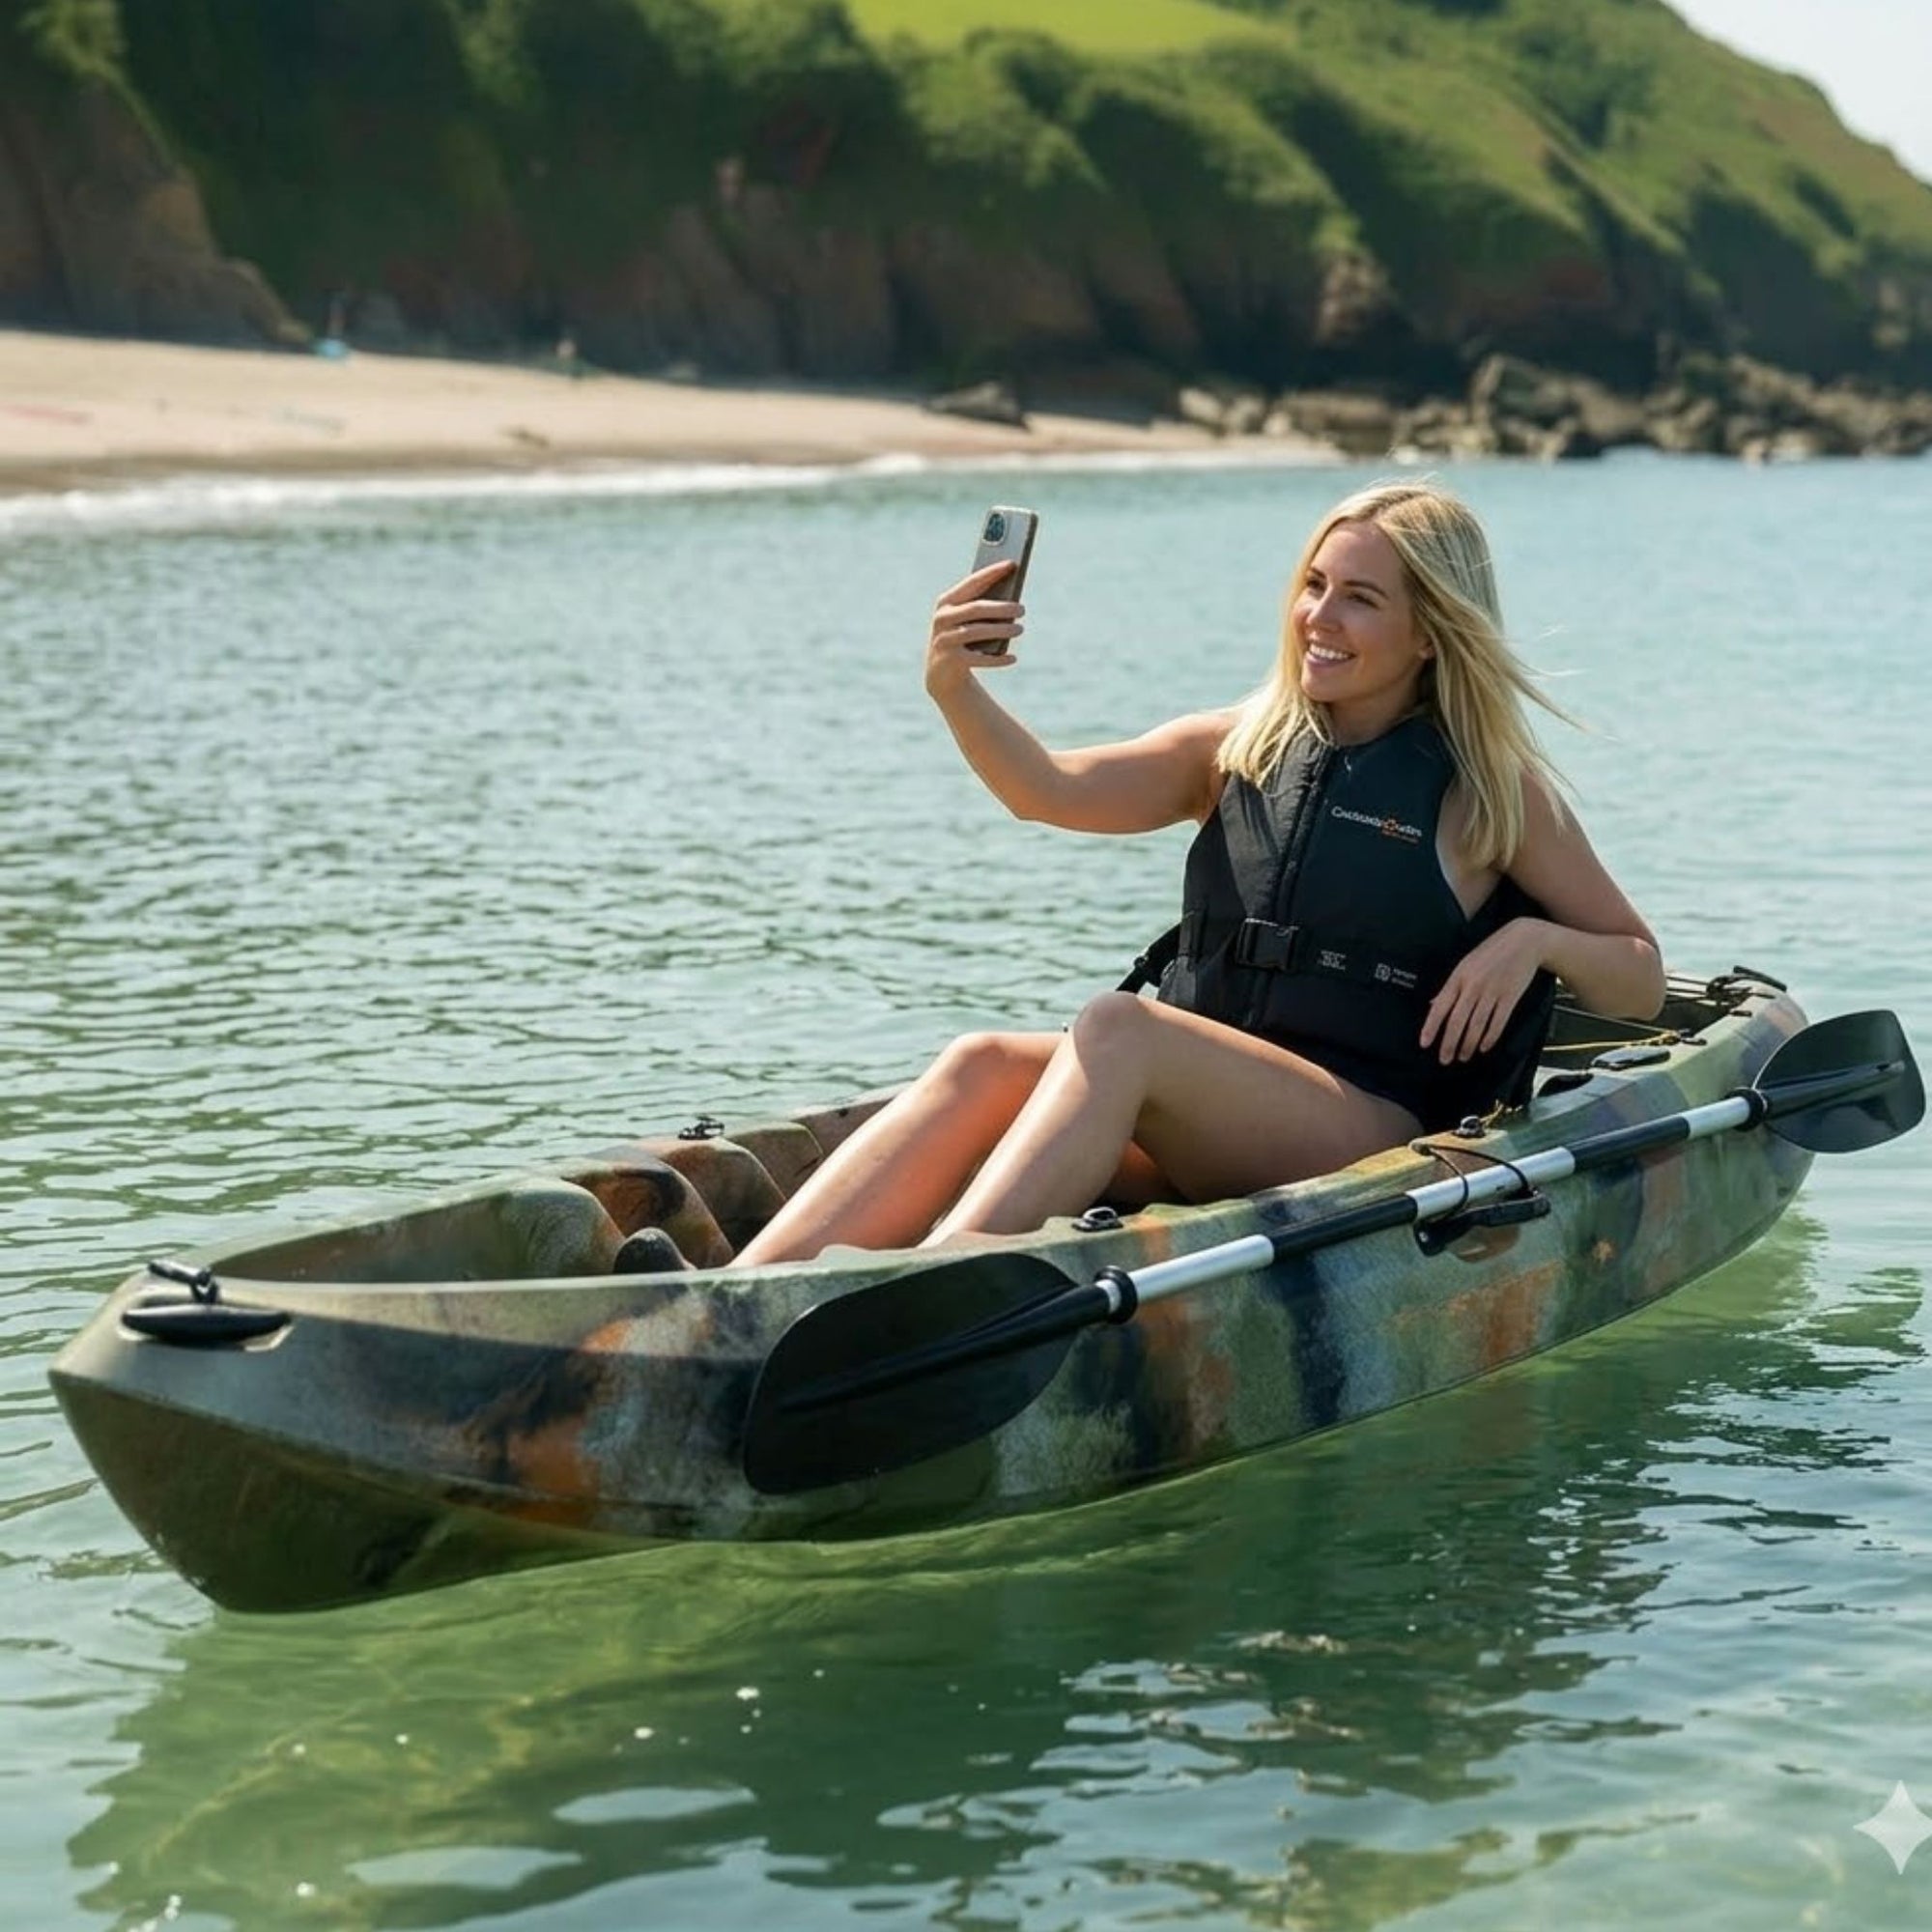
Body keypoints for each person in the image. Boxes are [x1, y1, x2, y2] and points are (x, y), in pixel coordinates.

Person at [727, 480, 1662, 1269]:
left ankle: (948, 1277)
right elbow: (1043, 789)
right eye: (1312, 584)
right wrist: (954, 688)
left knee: (1117, 1026)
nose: (1317, 618)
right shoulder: (1232, 748)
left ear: (1429, 631)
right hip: (1199, 1117)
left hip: (1366, 1134)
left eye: (1359, 599)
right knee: (981, 1061)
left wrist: (1531, 937)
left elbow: (1636, 974)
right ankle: (734, 1298)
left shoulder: (1488, 792)